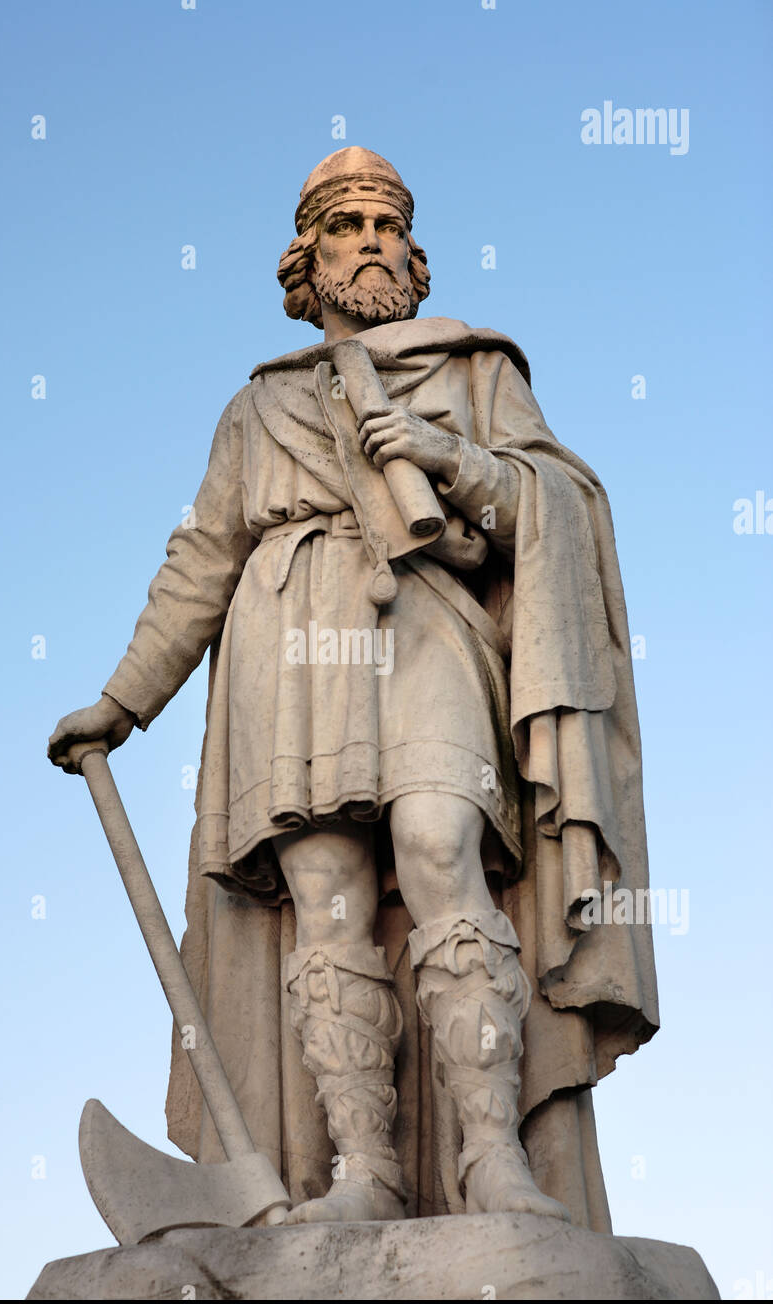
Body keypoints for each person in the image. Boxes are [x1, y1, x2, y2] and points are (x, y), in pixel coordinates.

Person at [49, 147, 658, 1229]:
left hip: (426, 622)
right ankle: (363, 1172)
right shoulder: (259, 405)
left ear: (413, 259)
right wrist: (122, 699)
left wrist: (445, 454)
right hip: (283, 640)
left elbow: (554, 505)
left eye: (385, 223)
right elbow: (199, 561)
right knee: (324, 900)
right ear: (307, 258)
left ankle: (487, 1160)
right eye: (345, 224)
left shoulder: (475, 371)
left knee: (439, 850)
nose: (369, 239)